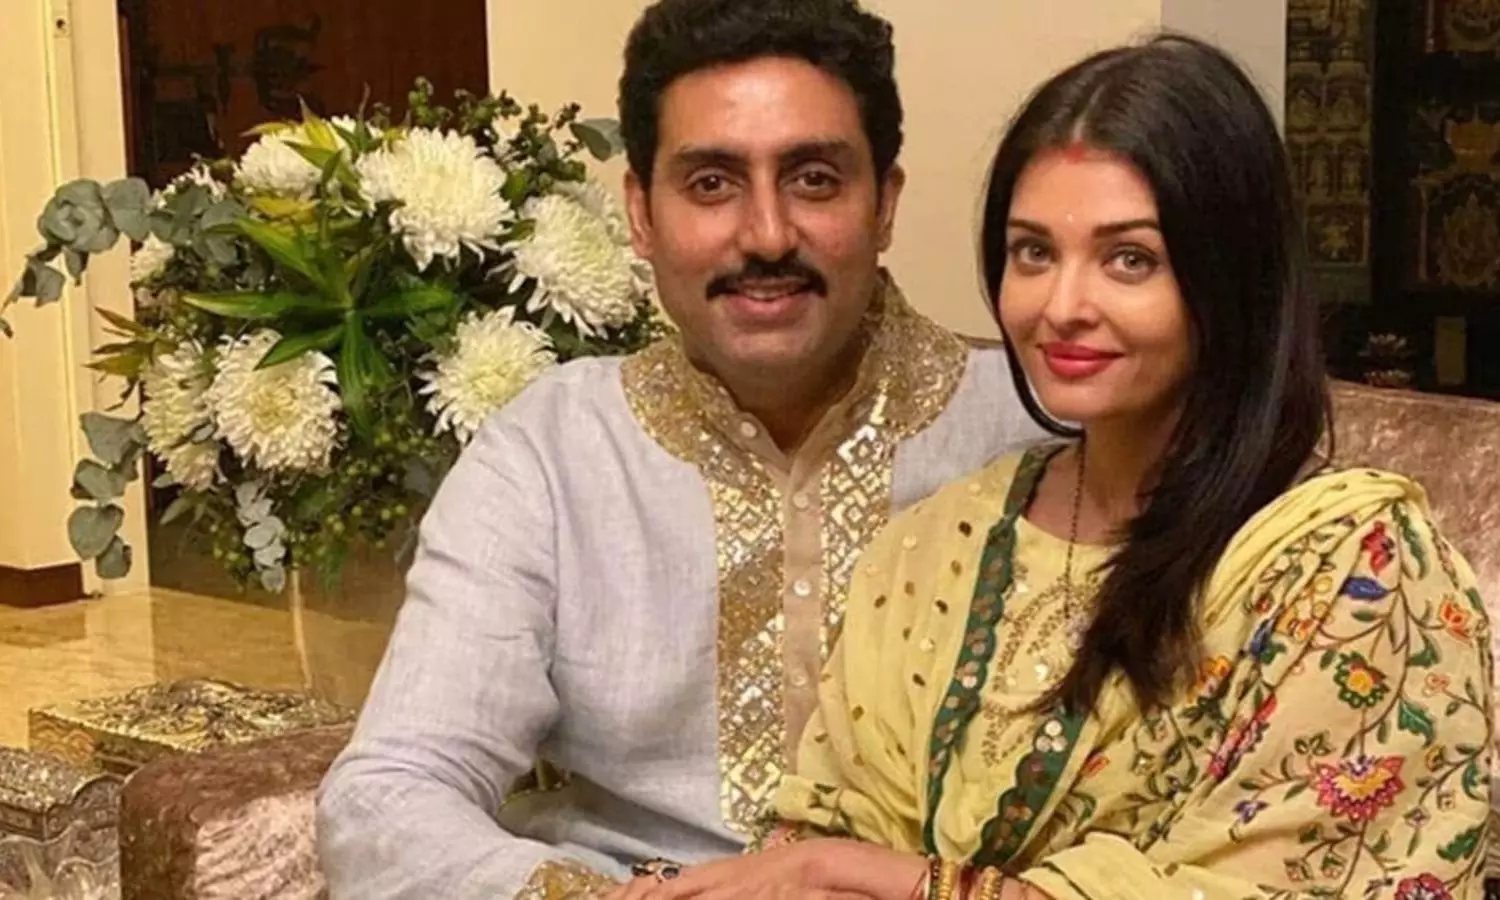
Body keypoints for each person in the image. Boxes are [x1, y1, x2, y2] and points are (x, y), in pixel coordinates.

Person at [612, 34, 1494, 900]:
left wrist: (890, 880)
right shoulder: (936, 548)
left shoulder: (1357, 570)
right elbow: (818, 842)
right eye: (1033, 252)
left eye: (1129, 259)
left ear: (1232, 276)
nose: (1062, 306)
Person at [315, 1, 1046, 897]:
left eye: (815, 179)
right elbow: (387, 793)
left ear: (885, 203)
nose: (767, 234)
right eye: (711, 184)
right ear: (642, 213)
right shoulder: (554, 451)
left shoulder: (1034, 433)